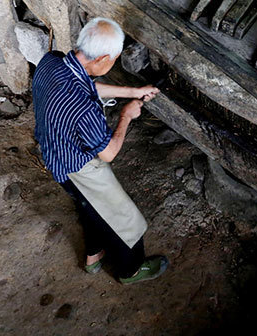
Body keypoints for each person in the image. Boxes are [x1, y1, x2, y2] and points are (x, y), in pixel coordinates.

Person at [32, 18, 167, 284]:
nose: (113, 63)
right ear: (104, 58)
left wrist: (134, 91)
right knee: (123, 218)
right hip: (77, 168)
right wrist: (127, 116)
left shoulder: (52, 61)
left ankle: (94, 257)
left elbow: (87, 85)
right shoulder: (84, 109)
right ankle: (131, 271)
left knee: (89, 207)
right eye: (114, 59)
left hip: (54, 153)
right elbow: (108, 153)